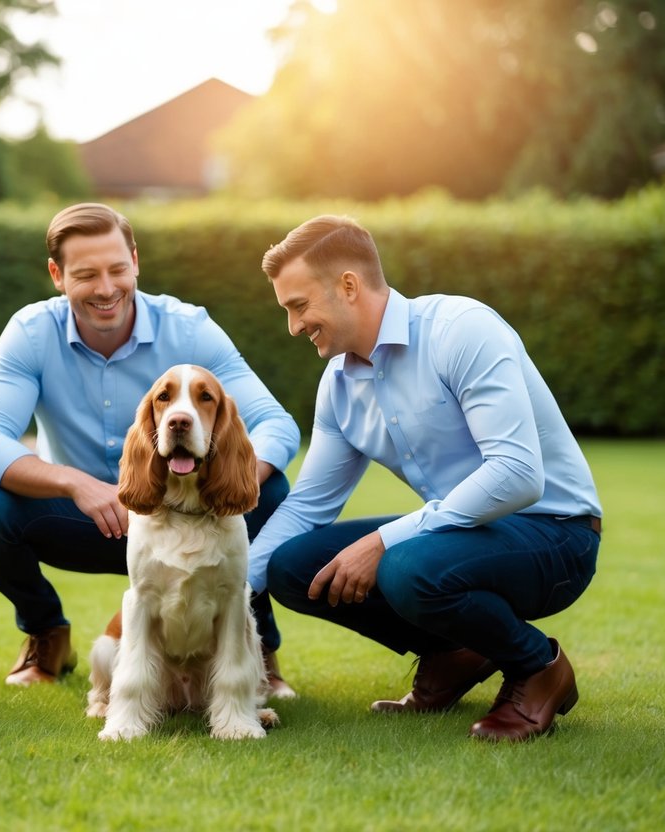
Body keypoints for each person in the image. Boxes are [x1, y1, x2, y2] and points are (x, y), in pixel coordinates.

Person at [249, 214, 602, 742]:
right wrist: (223, 591)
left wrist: (383, 540)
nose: (294, 326)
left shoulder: (461, 330)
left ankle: (538, 666)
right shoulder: (339, 386)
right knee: (292, 566)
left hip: (557, 533)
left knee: (405, 565)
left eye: (299, 306)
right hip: (463, 537)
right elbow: (305, 509)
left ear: (348, 285)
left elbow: (518, 473)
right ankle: (453, 652)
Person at [0, 202, 302, 693]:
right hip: (83, 516)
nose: (106, 288)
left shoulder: (190, 328)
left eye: (118, 269)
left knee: (262, 491)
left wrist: (222, 480)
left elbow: (276, 425)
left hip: (191, 511)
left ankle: (255, 650)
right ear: (56, 274)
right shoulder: (31, 333)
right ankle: (46, 631)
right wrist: (77, 485)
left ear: (136, 261)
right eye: (86, 274)